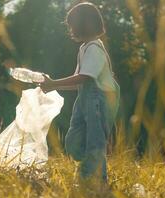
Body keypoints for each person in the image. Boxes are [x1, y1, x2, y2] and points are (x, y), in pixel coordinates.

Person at [37, 2, 120, 187]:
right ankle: (88, 170)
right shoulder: (84, 48)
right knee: (73, 141)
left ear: (86, 23)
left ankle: (96, 181)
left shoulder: (94, 48)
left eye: (72, 24)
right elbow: (78, 81)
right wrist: (52, 86)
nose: (71, 29)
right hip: (85, 100)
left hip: (99, 101)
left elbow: (84, 78)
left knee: (95, 143)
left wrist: (54, 83)